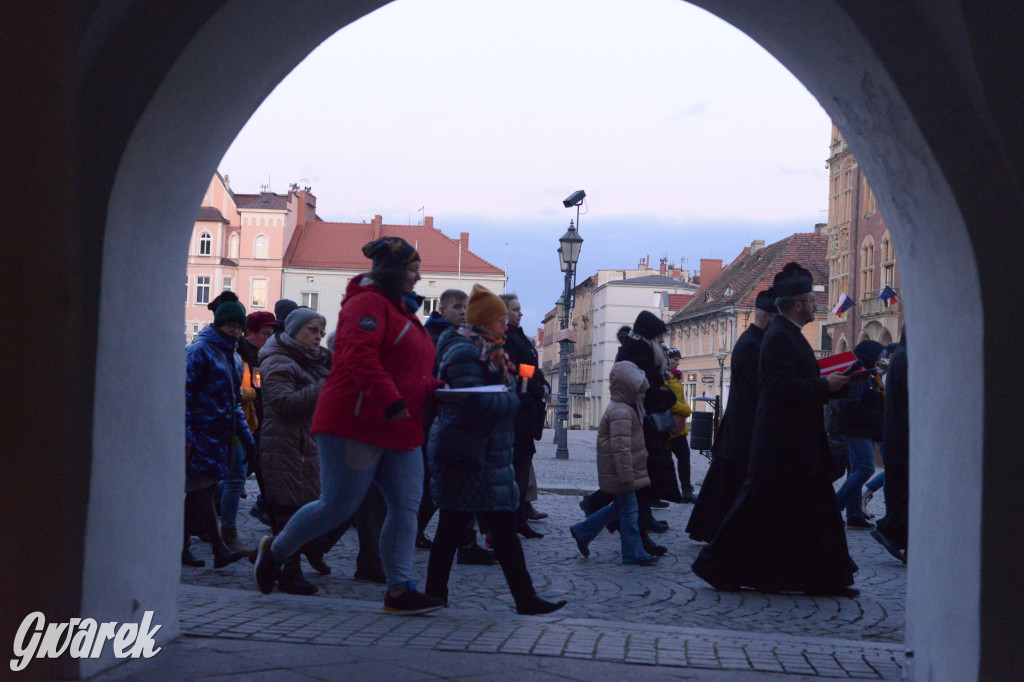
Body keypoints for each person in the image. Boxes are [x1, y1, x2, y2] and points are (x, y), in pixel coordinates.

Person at [253, 237, 446, 615]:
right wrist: (391, 399)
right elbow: (359, 357)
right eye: (411, 268)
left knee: (406, 507)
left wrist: (440, 389)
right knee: (337, 506)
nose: (418, 276)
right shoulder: (366, 304)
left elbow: (408, 369)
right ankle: (275, 551)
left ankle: (399, 590)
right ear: (392, 271)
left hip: (398, 425)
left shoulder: (403, 309)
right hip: (355, 421)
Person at [691, 262, 861, 597]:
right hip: (782, 445)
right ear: (798, 305)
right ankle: (716, 565)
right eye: (813, 301)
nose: (817, 305)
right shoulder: (780, 338)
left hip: (795, 444)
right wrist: (825, 386)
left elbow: (801, 384)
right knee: (755, 512)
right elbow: (780, 390)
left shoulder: (786, 335)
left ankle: (826, 577)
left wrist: (840, 384)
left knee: (812, 516)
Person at [425, 285, 567, 615]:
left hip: (485, 453)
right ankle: (522, 598)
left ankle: (518, 597)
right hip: (471, 454)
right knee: (473, 529)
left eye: (511, 314)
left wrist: (535, 382)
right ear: (486, 321)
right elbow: (477, 399)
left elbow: (519, 371)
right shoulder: (470, 350)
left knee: (472, 529)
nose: (511, 320)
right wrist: (514, 397)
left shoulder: (494, 347)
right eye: (504, 316)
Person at [579, 311, 676, 556]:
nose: (662, 343)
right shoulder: (637, 356)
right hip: (638, 426)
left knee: (636, 490)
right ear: (650, 337)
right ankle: (638, 542)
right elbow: (646, 393)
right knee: (636, 488)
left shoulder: (639, 352)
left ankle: (591, 526)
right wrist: (668, 396)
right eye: (660, 338)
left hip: (641, 425)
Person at [686, 288, 776, 543]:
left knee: (725, 487)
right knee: (729, 487)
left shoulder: (752, 341)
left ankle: (714, 530)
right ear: (766, 318)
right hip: (743, 429)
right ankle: (718, 532)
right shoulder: (752, 345)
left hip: (740, 429)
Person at [257, 306, 336, 594]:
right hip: (284, 444)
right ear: (293, 330)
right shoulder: (278, 360)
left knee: (308, 506)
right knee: (288, 510)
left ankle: (295, 559)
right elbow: (285, 405)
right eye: (312, 330)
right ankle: (287, 572)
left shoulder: (312, 360)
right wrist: (325, 385)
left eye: (321, 332)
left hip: (306, 443)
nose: (318, 337)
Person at [417, 289, 496, 566]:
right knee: (436, 489)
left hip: (446, 422)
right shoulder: (442, 338)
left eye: (465, 307)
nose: (462, 312)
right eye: (457, 307)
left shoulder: (461, 338)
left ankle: (465, 542)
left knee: (449, 496)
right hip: (439, 420)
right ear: (442, 309)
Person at [183, 293, 255, 569]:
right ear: (219, 324)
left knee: (200, 493)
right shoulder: (199, 351)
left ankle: (186, 547)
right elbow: (185, 397)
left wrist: (246, 437)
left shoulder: (234, 358)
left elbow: (234, 401)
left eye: (239, 326)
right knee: (202, 491)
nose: (235, 331)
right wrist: (187, 436)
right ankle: (218, 547)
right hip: (201, 435)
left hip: (220, 437)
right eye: (230, 326)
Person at [569, 361, 658, 565]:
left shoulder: (625, 408)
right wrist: (626, 476)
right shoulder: (622, 412)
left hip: (623, 471)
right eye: (640, 391)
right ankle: (633, 553)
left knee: (618, 507)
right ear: (629, 390)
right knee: (629, 511)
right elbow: (621, 448)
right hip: (622, 473)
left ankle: (582, 532)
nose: (644, 395)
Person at [500, 293, 550, 538]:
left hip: (528, 409)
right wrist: (534, 387)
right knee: (517, 465)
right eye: (515, 309)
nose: (521, 313)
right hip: (518, 410)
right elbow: (517, 369)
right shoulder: (507, 337)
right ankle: (513, 517)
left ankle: (519, 514)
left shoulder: (520, 336)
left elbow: (529, 367)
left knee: (522, 464)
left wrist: (540, 383)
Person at [831, 339, 886, 530]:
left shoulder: (871, 375)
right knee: (866, 468)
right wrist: (872, 418)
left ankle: (854, 515)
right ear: (871, 355)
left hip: (860, 428)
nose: (882, 358)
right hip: (855, 429)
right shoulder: (860, 374)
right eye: (880, 354)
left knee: (856, 470)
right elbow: (852, 402)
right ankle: (832, 508)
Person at [871, 328, 908, 563]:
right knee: (907, 492)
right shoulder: (907, 358)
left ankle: (899, 537)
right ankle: (890, 530)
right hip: (904, 439)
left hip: (897, 438)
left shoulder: (900, 357)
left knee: (900, 491)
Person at [239, 310, 276, 531]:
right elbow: (242, 391)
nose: (269, 338)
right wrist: (258, 393)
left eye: (272, 333)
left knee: (261, 473)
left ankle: (274, 518)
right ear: (250, 333)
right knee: (231, 480)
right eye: (265, 333)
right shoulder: (242, 356)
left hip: (261, 423)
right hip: (245, 424)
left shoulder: (266, 356)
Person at [664, 348, 695, 504]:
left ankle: (686, 490)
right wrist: (687, 410)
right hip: (667, 425)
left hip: (679, 426)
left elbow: (680, 398)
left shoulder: (676, 377)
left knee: (684, 457)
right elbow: (668, 399)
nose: (677, 362)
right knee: (665, 461)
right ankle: (659, 494)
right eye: (674, 359)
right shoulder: (665, 376)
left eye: (678, 359)